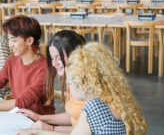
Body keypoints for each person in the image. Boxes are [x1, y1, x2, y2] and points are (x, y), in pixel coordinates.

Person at [17, 43, 147, 135]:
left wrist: (35, 132)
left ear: (83, 86)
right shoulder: (117, 100)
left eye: (71, 83)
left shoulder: (93, 107)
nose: (70, 87)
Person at [16, 30, 87, 133]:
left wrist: (51, 128)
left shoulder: (88, 86)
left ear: (75, 54)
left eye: (58, 58)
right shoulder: (71, 79)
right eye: (52, 58)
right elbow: (74, 115)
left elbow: (87, 130)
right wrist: (40, 117)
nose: (54, 64)